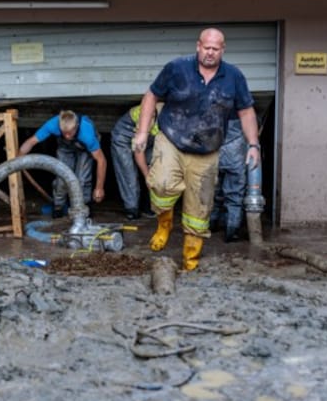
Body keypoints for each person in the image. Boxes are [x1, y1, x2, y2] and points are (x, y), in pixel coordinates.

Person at [132, 27, 261, 272]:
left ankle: (190, 261)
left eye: (216, 48)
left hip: (207, 152)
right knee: (160, 183)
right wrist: (142, 131)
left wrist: (253, 144)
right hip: (171, 140)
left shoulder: (234, 76)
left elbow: (246, 111)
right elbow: (151, 97)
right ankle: (164, 224)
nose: (210, 52)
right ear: (198, 46)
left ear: (223, 50)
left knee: (198, 211)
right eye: (207, 47)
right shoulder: (176, 68)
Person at [19, 110, 106, 218]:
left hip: (86, 149)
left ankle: (83, 206)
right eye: (64, 132)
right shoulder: (52, 125)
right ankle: (58, 206)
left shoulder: (87, 133)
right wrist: (19, 157)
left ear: (76, 126)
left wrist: (99, 187)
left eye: (70, 132)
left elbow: (101, 161)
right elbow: (32, 141)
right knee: (62, 177)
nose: (68, 136)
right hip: (65, 147)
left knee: (82, 179)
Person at [110, 103, 161, 220]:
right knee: (128, 173)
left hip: (149, 138)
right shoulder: (146, 119)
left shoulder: (167, 113)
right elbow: (139, 152)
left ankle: (149, 206)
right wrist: (147, 176)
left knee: (154, 167)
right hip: (124, 136)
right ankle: (132, 209)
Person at [210, 111, 248, 242]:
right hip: (236, 149)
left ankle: (211, 224)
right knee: (235, 194)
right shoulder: (240, 102)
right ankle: (231, 230)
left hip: (214, 148)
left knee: (213, 191)